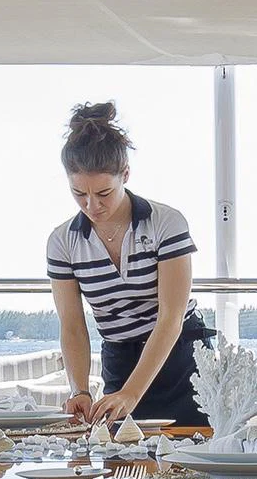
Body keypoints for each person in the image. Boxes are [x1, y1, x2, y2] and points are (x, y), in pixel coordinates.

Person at [45, 101, 210, 428]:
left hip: (179, 358)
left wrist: (132, 394)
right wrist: (79, 389)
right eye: (79, 194)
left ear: (126, 176)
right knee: (120, 465)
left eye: (104, 193)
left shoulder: (167, 222)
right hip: (119, 358)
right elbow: (73, 325)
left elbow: (170, 318)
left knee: (190, 459)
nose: (92, 205)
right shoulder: (63, 241)